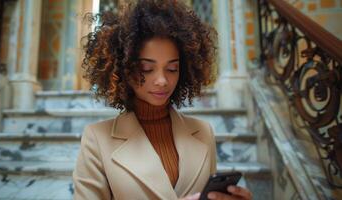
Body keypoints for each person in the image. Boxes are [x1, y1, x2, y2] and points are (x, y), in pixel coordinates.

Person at [73, 0, 252, 199]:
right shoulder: (97, 139)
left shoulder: (203, 132)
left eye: (172, 69)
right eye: (147, 69)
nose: (162, 80)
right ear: (124, 69)